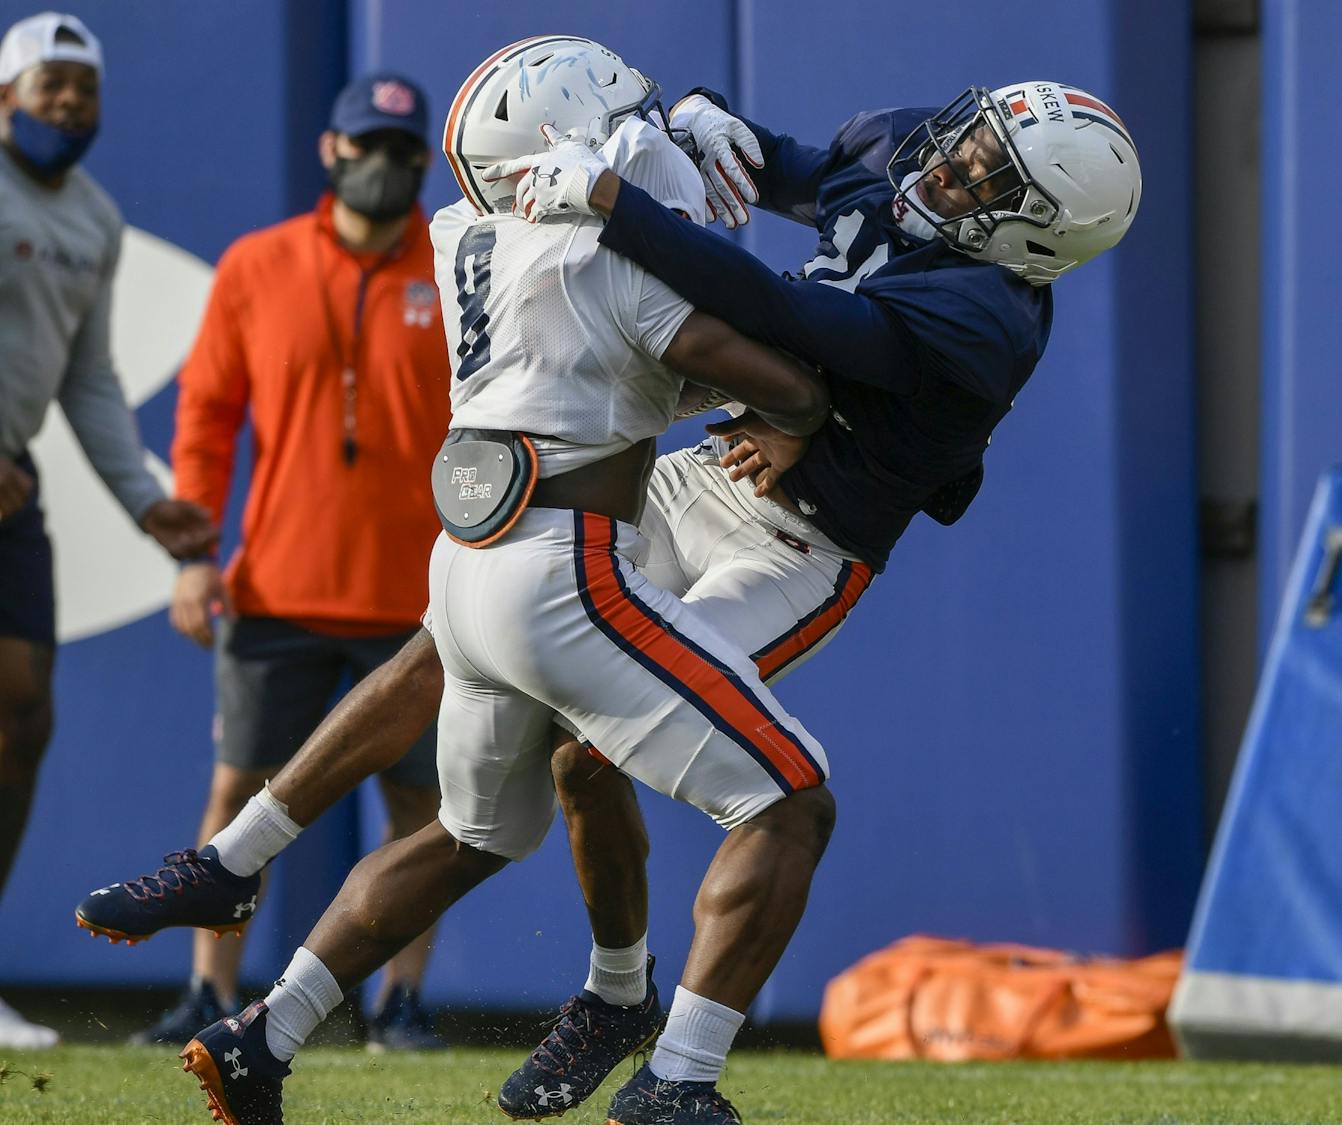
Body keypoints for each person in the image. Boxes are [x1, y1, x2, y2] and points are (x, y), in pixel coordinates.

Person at [76, 55, 1141, 1123]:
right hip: (697, 477)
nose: (951, 169)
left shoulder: (986, 318)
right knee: (541, 729)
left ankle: (620, 1021)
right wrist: (721, 128)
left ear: (1035, 239)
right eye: (968, 144)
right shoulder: (901, 153)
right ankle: (619, 1017)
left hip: (798, 547)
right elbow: (796, 178)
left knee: (583, 744)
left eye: (988, 181)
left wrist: (622, 203)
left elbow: (786, 318)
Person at [79, 72, 457, 1053]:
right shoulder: (259, 264)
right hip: (278, 585)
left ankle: (398, 1005)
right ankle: (209, 994)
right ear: (330, 149)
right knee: (241, 795)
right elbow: (205, 416)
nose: (383, 162)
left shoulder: (459, 267)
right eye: (365, 142)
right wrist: (195, 553)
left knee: (426, 807)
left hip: (420, 597)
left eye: (402, 147)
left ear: (426, 157)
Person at [0, 10, 218, 1050]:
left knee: (23, 715)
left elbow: (88, 383)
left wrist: (145, 501)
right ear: (7, 96)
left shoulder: (92, 215)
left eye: (84, 90)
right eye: (51, 87)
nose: (71, 105)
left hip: (12, 482)